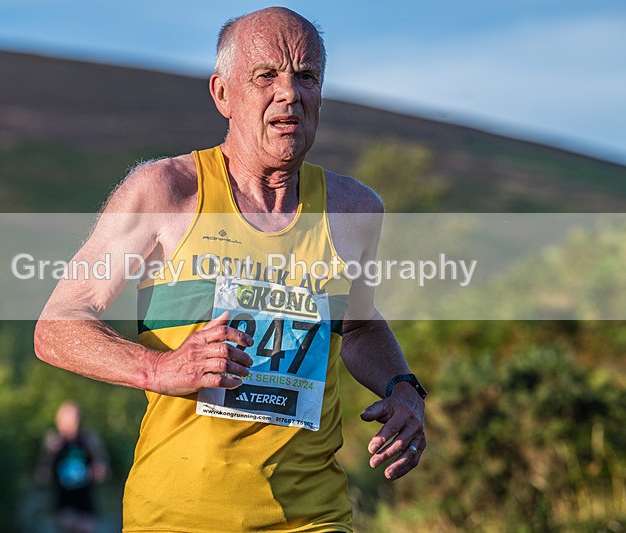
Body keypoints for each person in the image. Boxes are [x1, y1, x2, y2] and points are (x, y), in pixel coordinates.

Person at [34, 7, 426, 532]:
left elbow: (356, 324)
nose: (289, 93)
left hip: (313, 518)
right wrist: (159, 370)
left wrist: (401, 387)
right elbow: (57, 325)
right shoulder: (167, 192)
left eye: (306, 77)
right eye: (266, 76)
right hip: (176, 516)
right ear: (222, 94)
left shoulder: (353, 210)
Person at [35, 401, 109, 533]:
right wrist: (48, 457)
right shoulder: (54, 442)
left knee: (86, 527)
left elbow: (101, 467)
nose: (71, 424)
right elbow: (42, 473)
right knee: (68, 524)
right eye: (66, 420)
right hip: (64, 499)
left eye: (74, 420)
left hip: (85, 498)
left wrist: (98, 471)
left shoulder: (88, 440)